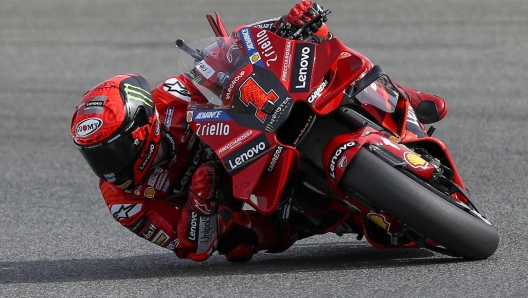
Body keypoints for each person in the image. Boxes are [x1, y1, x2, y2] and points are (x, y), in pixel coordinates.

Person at [70, 1, 448, 263]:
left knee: (318, 45)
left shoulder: (168, 98)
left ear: (143, 126)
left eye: (112, 151)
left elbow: (224, 58)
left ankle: (397, 95)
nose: (107, 166)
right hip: (232, 192)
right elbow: (190, 246)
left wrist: (283, 25)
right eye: (96, 156)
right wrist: (201, 203)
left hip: (252, 132)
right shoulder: (123, 201)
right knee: (239, 244)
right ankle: (334, 212)